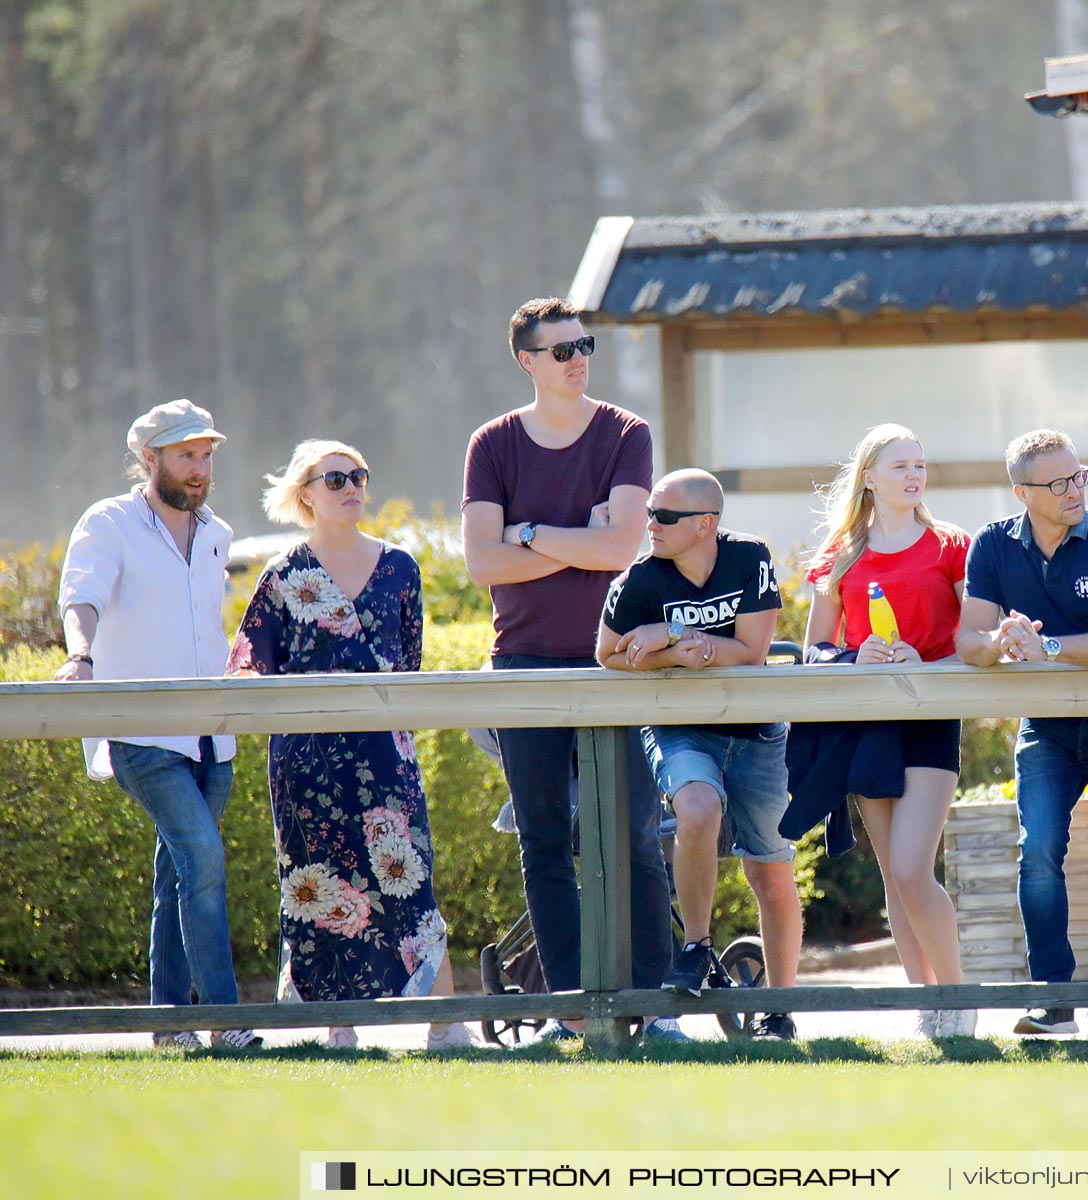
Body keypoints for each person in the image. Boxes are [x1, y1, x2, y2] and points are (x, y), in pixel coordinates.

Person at [462, 296, 676, 1045]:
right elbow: (483, 563)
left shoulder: (626, 433)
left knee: (636, 837)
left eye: (583, 344)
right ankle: (572, 1009)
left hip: (615, 662)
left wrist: (526, 533)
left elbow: (622, 549)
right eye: (560, 350)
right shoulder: (492, 444)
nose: (577, 357)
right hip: (521, 665)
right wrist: (572, 535)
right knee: (545, 841)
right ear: (527, 362)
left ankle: (649, 1007)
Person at [229, 441, 475, 1051]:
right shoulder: (282, 574)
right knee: (322, 888)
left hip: (385, 759)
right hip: (305, 763)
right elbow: (247, 665)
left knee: (410, 881)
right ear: (305, 492)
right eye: (334, 477)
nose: (350, 486)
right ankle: (338, 1030)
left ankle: (445, 1024)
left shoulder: (400, 568)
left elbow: (410, 667)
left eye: (359, 475)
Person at [54, 399, 259, 1051]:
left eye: (205, 456)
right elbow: (79, 596)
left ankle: (168, 1027)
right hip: (139, 733)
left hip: (212, 737)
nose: (199, 470)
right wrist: (79, 657)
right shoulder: (108, 522)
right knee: (201, 858)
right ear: (151, 460)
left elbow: (203, 627)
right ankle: (225, 1025)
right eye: (185, 456)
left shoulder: (218, 532)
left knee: (178, 872)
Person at [956, 430, 1088, 1040]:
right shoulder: (992, 544)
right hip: (1045, 724)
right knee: (1038, 851)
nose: (1076, 491)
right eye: (1059, 483)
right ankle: (1055, 999)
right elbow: (967, 640)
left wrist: (1043, 647)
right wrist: (998, 646)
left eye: (1080, 477)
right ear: (1022, 493)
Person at [597, 469, 802, 1041]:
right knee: (696, 808)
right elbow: (607, 655)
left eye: (663, 516)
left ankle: (780, 1009)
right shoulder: (638, 580)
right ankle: (696, 945)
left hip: (756, 730)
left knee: (770, 868)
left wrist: (686, 641)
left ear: (705, 524)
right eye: (650, 515)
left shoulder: (751, 558)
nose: (650, 526)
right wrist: (668, 651)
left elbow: (754, 650)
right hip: (682, 729)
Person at [804, 425, 974, 1037]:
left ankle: (958, 997)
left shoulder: (952, 545)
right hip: (866, 728)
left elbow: (976, 643)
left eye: (920, 464)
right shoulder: (840, 553)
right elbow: (815, 650)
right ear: (869, 476)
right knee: (894, 879)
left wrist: (927, 666)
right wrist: (857, 659)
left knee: (911, 868)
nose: (913, 474)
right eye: (899, 464)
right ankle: (926, 1007)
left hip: (930, 721)